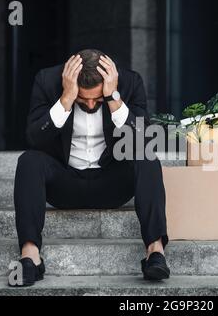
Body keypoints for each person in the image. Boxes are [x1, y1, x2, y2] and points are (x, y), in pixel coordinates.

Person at [9, 49, 170, 287]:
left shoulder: (129, 83)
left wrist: (113, 99)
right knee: (29, 161)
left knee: (147, 158)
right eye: (83, 99)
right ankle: (30, 255)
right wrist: (66, 99)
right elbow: (34, 137)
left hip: (111, 184)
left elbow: (144, 140)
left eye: (98, 99)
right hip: (64, 184)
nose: (92, 103)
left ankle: (155, 252)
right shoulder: (47, 81)